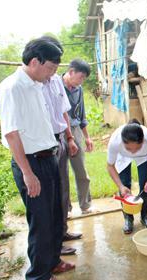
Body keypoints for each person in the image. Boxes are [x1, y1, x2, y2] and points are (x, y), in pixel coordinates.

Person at [0, 37, 74, 280]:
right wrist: (28, 173)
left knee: (53, 215)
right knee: (40, 221)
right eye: (50, 68)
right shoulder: (12, 88)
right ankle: (38, 278)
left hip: (47, 156)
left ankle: (52, 262)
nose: (53, 74)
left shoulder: (37, 84)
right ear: (34, 62)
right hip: (31, 163)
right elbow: (11, 133)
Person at [40, 36, 82, 256]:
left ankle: (62, 231)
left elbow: (63, 112)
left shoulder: (55, 80)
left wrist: (70, 138)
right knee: (50, 195)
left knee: (63, 188)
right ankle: (53, 243)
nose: (55, 67)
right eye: (52, 62)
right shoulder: (33, 83)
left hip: (60, 140)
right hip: (44, 145)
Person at [107, 119, 147, 234]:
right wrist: (120, 186)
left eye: (137, 148)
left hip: (144, 156)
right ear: (122, 142)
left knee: (145, 184)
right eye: (129, 148)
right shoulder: (115, 141)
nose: (133, 152)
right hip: (122, 156)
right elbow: (110, 166)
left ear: (143, 141)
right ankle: (128, 219)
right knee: (125, 186)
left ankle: (145, 217)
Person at [62, 59, 94, 215]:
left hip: (75, 130)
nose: (81, 81)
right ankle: (65, 209)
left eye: (84, 79)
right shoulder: (55, 85)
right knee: (62, 173)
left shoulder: (78, 89)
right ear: (71, 71)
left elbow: (81, 115)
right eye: (80, 77)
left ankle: (85, 205)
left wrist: (87, 137)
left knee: (81, 169)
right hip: (59, 131)